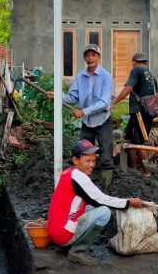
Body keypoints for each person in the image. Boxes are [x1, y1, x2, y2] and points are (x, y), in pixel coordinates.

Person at [47, 140, 147, 266]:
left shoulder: (69, 173)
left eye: (93, 161)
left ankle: (69, 245)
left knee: (89, 207)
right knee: (104, 212)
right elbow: (100, 199)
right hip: (63, 234)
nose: (92, 165)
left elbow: (92, 200)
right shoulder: (78, 177)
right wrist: (128, 202)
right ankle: (77, 251)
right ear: (76, 160)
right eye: (87, 161)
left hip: (56, 231)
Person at [45, 44, 115, 187]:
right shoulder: (80, 77)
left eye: (93, 55)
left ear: (98, 57)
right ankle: (84, 184)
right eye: (87, 55)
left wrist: (83, 111)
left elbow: (103, 102)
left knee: (106, 156)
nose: (90, 58)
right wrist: (57, 95)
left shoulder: (106, 77)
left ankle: (107, 187)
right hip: (87, 122)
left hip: (103, 121)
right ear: (84, 58)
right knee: (84, 153)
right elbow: (72, 97)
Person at [111, 52, 158, 176]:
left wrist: (114, 102)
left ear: (134, 61)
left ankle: (147, 172)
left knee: (139, 143)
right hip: (148, 112)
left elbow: (128, 88)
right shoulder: (151, 75)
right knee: (130, 139)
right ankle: (133, 169)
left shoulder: (136, 70)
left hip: (138, 113)